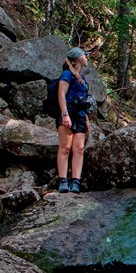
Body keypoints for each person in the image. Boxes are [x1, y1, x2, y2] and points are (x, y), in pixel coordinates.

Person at [56, 47, 92, 193]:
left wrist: (87, 119)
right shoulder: (66, 75)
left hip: (80, 115)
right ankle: (63, 181)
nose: (87, 58)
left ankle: (75, 181)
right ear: (79, 59)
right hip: (68, 113)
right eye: (85, 56)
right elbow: (61, 95)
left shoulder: (82, 79)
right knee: (65, 148)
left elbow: (83, 101)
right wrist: (65, 115)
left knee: (79, 149)